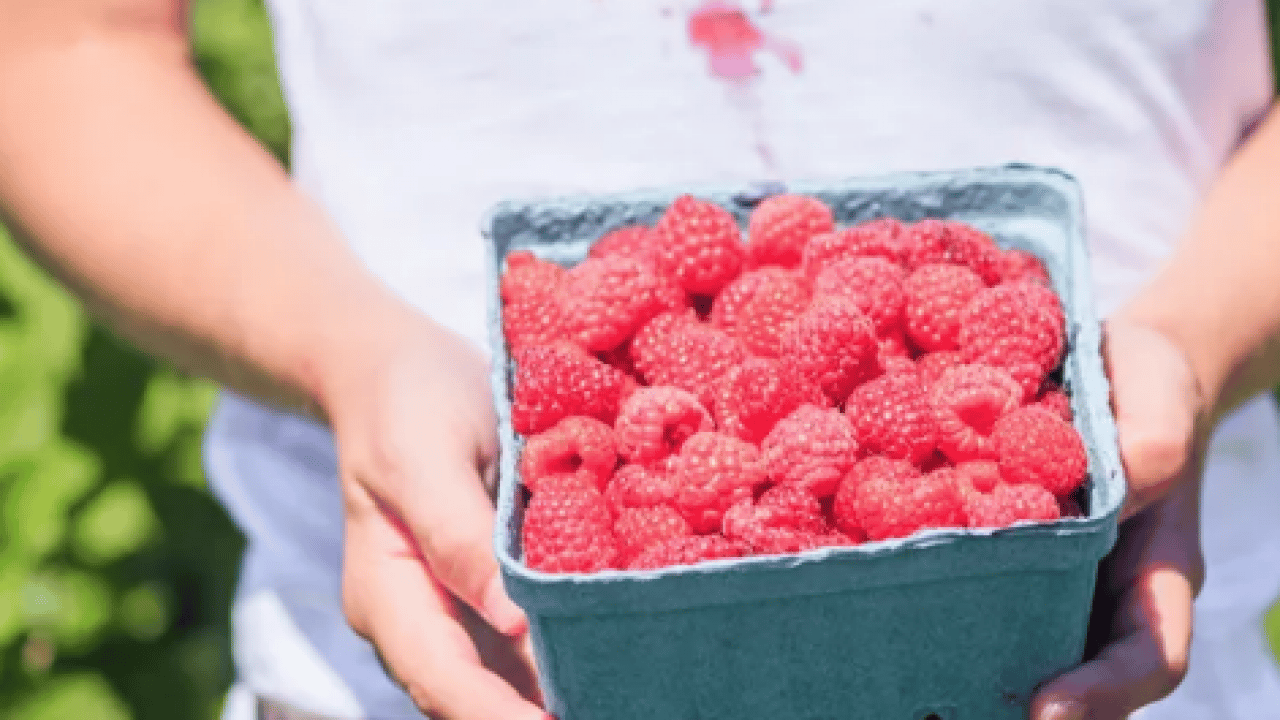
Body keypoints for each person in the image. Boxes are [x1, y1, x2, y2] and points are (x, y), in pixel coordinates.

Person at [1, 1, 1279, 719]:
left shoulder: (922, 379)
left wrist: (1192, 334)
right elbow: (62, 48)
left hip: (1101, 660)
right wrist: (350, 355)